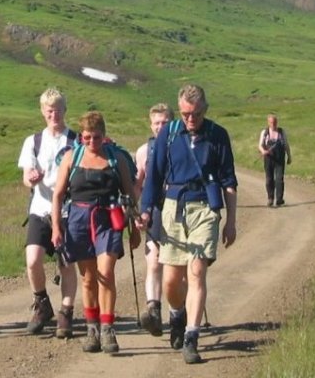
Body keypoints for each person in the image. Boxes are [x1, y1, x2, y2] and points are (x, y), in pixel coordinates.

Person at [137, 84, 238, 365]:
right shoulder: (168, 135)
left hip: (205, 207)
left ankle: (192, 337)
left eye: (194, 114)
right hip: (173, 208)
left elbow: (229, 182)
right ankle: (176, 313)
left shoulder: (218, 136)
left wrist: (231, 221)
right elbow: (154, 179)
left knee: (196, 271)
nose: (190, 119)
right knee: (171, 280)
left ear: (204, 109)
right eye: (184, 114)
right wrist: (146, 211)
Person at [51, 111, 140, 355]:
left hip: (108, 219)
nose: (92, 143)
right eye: (88, 138)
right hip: (78, 221)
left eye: (97, 137)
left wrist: (134, 228)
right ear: (81, 136)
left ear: (104, 135)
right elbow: (58, 195)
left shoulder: (116, 159)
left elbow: (130, 194)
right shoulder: (71, 157)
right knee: (88, 278)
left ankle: (107, 327)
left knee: (106, 272)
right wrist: (56, 228)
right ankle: (92, 328)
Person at [17, 87, 78, 337]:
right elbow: (25, 178)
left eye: (58, 110)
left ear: (65, 110)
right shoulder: (33, 141)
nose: (54, 115)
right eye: (49, 110)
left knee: (66, 264)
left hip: (68, 210)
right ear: (43, 112)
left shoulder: (75, 140)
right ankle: (42, 304)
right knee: (32, 260)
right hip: (40, 208)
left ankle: (66, 311)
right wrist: (31, 178)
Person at [134, 102, 173, 337]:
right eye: (157, 123)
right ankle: (154, 310)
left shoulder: (181, 146)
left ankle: (180, 311)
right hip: (155, 210)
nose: (160, 127)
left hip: (178, 208)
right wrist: (141, 211)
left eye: (165, 122)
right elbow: (138, 184)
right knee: (154, 261)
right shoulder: (143, 151)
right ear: (151, 125)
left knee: (177, 265)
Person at [258, 113, 292, 207]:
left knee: (279, 179)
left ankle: (279, 199)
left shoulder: (281, 132)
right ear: (268, 123)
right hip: (268, 159)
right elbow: (260, 145)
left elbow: (286, 145)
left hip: (280, 159)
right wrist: (263, 151)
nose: (274, 124)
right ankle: (270, 198)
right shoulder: (264, 132)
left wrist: (289, 156)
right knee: (269, 179)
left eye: (275, 122)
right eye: (272, 122)